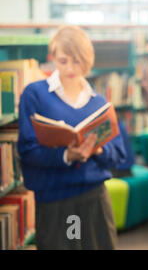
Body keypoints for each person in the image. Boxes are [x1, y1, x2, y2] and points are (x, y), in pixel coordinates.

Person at [17, 25, 126, 250]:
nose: (70, 68)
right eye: (63, 60)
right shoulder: (35, 94)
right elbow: (27, 150)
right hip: (55, 201)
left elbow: (117, 155)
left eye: (77, 62)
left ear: (87, 60)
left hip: (94, 199)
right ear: (53, 58)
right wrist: (66, 154)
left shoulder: (98, 102)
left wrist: (96, 149)